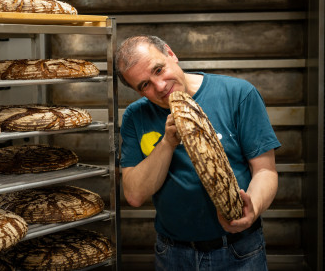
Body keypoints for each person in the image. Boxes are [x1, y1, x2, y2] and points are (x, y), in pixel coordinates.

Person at [115, 35, 281, 271]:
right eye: (144, 85)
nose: (160, 86)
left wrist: (251, 210)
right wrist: (168, 143)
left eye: (159, 69)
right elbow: (134, 194)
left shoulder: (238, 94)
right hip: (173, 253)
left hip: (239, 249)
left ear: (171, 53)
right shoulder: (135, 116)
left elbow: (265, 171)